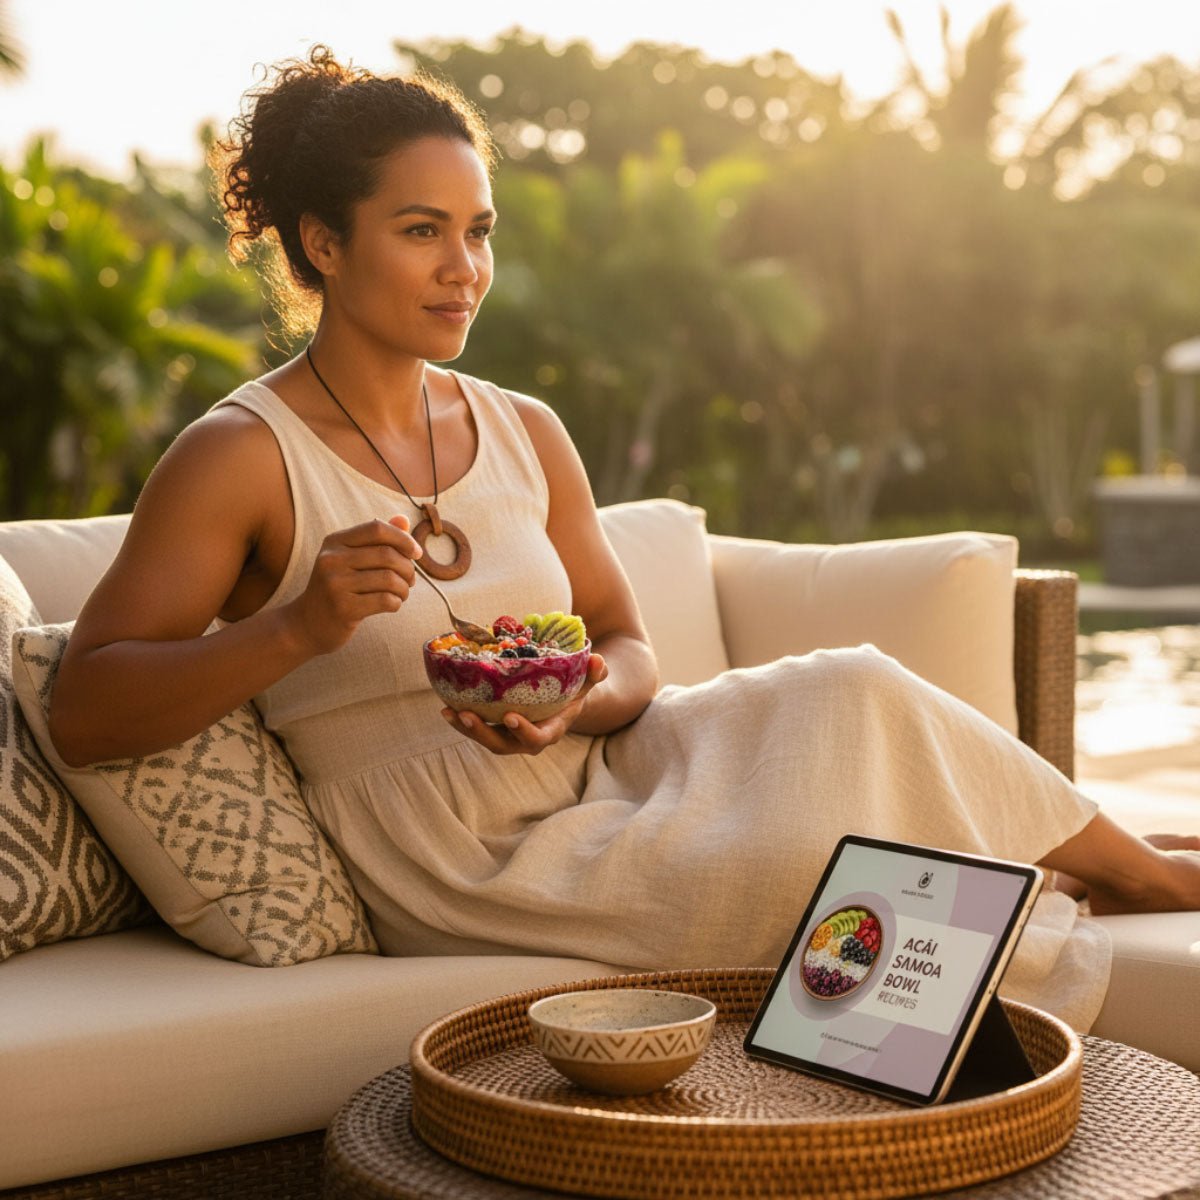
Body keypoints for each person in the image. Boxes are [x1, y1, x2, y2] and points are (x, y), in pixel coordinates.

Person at [47, 46, 1198, 1031]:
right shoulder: (240, 455)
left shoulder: (523, 429)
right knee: (798, 855)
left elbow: (628, 647)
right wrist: (300, 627)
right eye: (421, 232)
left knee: (854, 689)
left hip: (602, 761)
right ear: (325, 244)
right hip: (459, 855)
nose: (466, 270)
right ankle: (1097, 887)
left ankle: (1129, 870)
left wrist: (578, 700)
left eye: (479, 233)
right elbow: (88, 710)